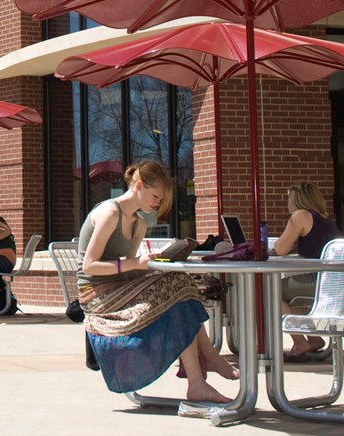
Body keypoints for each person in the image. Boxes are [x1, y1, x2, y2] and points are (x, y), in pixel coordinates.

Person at [78, 160, 236, 403]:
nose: (157, 203)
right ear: (139, 186)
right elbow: (89, 266)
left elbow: (130, 272)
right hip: (96, 294)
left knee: (179, 286)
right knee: (177, 285)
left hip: (121, 288)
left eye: (160, 200)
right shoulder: (109, 213)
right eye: (155, 196)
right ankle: (208, 361)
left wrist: (152, 269)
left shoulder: (139, 223)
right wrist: (136, 263)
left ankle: (198, 381)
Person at [273, 180, 344, 359]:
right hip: (336, 282)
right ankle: (313, 339)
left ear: (296, 200)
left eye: (289, 199)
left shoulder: (300, 215)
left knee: (271, 291)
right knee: (288, 298)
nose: (288, 203)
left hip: (322, 282)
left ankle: (300, 342)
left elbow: (280, 249)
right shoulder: (323, 219)